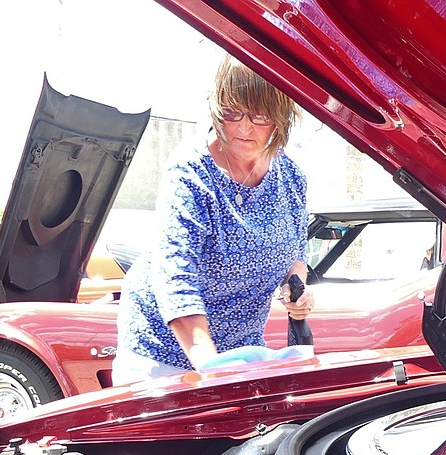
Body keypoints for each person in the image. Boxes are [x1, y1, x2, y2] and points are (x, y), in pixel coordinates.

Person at [114, 56, 314, 383]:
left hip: (241, 355)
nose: (244, 127)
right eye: (232, 112)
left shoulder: (291, 177)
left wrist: (296, 287)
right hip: (167, 357)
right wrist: (210, 366)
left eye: (259, 115)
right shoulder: (189, 173)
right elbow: (176, 278)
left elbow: (296, 256)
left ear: (281, 118)